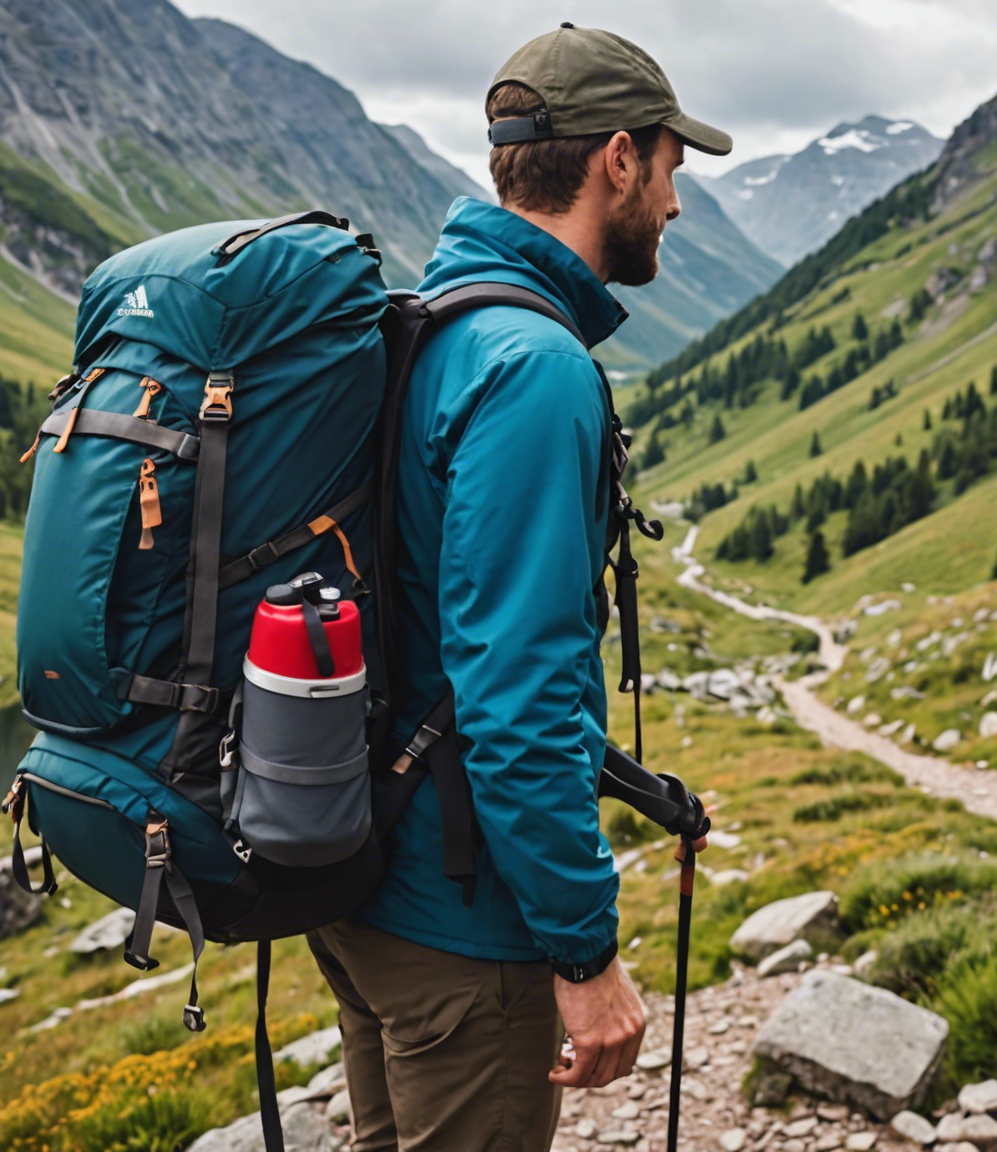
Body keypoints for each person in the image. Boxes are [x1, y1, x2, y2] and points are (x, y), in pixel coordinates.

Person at [302, 23, 730, 1152]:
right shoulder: (536, 370)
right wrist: (584, 953)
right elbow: (519, 689)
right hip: (464, 925)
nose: (677, 208)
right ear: (620, 160)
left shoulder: (427, 324)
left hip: (367, 885)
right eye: (674, 170)